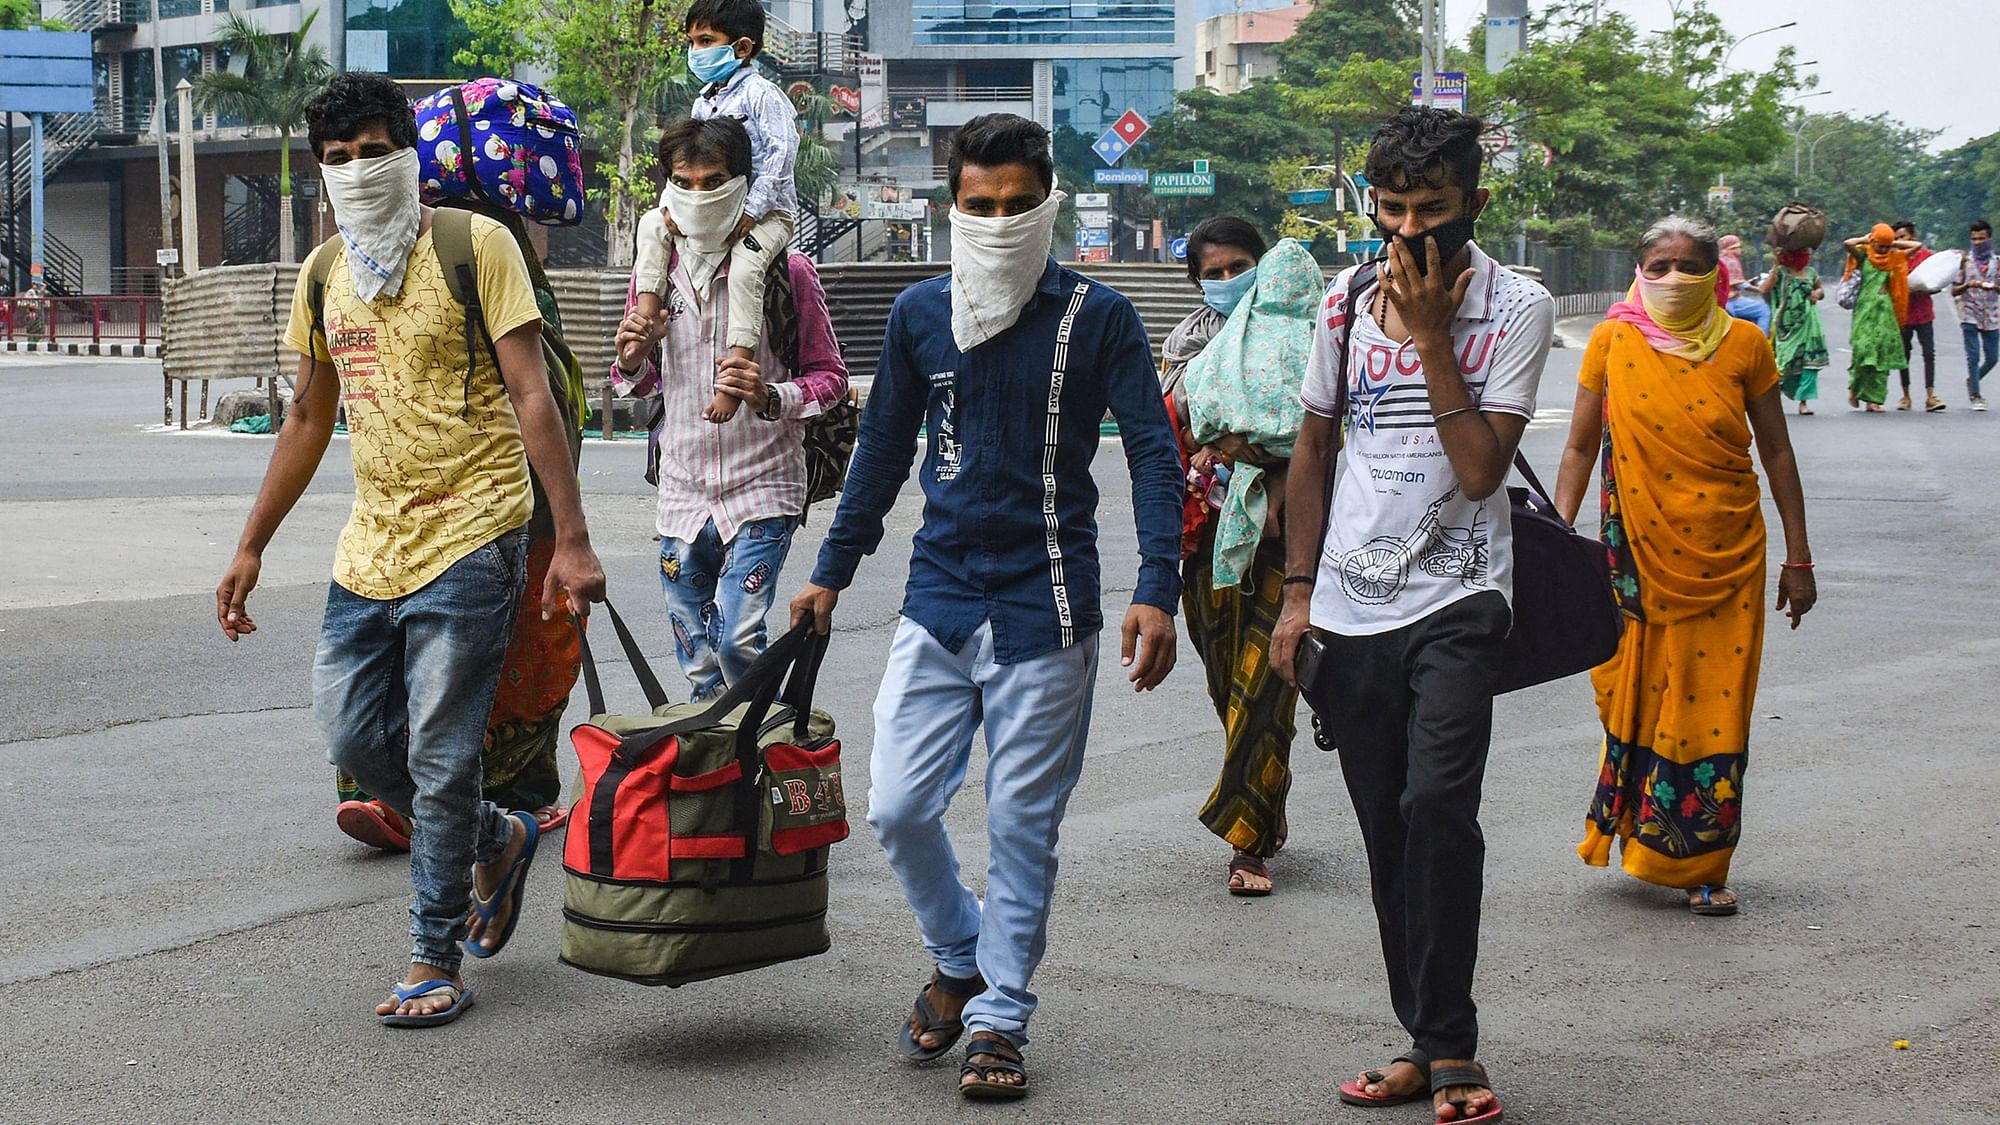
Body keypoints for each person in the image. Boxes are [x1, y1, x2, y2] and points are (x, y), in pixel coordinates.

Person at [788, 113, 1181, 1101]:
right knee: (895, 806)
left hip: (1049, 606)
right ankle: (958, 958)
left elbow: (1150, 450)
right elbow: (881, 452)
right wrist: (829, 571)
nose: (998, 221)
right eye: (978, 206)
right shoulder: (922, 314)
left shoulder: (1100, 317)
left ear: (1044, 203)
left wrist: (1157, 588)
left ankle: (999, 1016)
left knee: (1020, 827)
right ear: (949, 205)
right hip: (938, 596)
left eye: (1016, 206)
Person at [212, 73, 606, 1027]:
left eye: (374, 151)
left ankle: (434, 956)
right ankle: (496, 836)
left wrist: (572, 542)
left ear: (409, 154)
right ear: (321, 170)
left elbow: (532, 397)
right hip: (371, 547)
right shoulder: (324, 274)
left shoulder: (480, 246)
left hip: (475, 533)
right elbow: (309, 413)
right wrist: (251, 544)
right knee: (349, 732)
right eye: (338, 159)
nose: (357, 171)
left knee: (439, 748)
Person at [1271, 106, 1553, 1124]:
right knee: (1387, 834)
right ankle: (1428, 1039)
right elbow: (1309, 450)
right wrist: (1296, 597)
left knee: (1437, 807)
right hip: (1348, 607)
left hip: (1461, 596)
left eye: (1428, 211)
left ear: (1473, 205)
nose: (1405, 233)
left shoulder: (1516, 305)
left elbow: (1480, 472)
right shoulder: (1343, 302)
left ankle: (1451, 1047)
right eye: (1388, 210)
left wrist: (1432, 339)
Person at [1553, 214, 1815, 919]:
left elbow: (1779, 452)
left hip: (1729, 557)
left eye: (1690, 266)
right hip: (1632, 553)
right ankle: (1642, 835)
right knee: (1631, 691)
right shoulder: (1612, 340)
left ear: (1716, 274)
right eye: (1658, 265)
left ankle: (1702, 861)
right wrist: (1554, 535)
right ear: (1639, 270)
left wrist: (1799, 555)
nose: (1673, 279)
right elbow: (1578, 448)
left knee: (1715, 708)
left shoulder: (1746, 344)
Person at [335, 195, 590, 850]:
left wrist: (569, 535)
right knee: (463, 659)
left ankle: (460, 806)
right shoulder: (489, 260)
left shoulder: (437, 257)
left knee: (470, 660)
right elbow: (552, 396)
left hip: (474, 513)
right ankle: (446, 802)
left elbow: (541, 396)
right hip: (460, 512)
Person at [611, 116, 849, 702]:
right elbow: (637, 387)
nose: (697, 195)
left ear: (742, 182)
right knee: (694, 645)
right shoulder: (655, 276)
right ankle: (716, 755)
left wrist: (770, 396)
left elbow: (831, 380)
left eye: (713, 180)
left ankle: (752, 742)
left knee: (739, 635)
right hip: (683, 488)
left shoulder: (786, 273)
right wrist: (634, 358)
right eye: (683, 182)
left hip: (764, 485)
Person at [1159, 216, 1317, 898]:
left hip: (1285, 540)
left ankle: (1246, 844)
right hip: (1206, 539)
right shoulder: (1183, 346)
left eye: (1237, 267)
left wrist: (1271, 460)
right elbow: (1163, 433)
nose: (1226, 281)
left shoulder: (1306, 336)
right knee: (1229, 683)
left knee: (1267, 682)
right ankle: (1264, 801)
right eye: (1213, 272)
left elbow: (1321, 430)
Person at [619, 0, 798, 424]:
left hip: (766, 216)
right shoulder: (704, 102)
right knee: (649, 227)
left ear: (742, 48)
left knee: (745, 269)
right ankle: (645, 315)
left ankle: (734, 377)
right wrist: (669, 209)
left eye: (706, 41)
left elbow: (782, 153)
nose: (696, 51)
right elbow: (687, 162)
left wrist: (753, 211)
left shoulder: (763, 95)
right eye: (692, 42)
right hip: (713, 215)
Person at [1842, 223, 1917, 413]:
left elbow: (1917, 245)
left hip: (1885, 313)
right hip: (1864, 311)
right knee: (1863, 353)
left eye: (1886, 246)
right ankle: (1854, 388)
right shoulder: (1864, 255)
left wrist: (1893, 244)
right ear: (1873, 241)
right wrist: (1865, 240)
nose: (1883, 250)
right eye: (1880, 245)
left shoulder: (1894, 257)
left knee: (1881, 358)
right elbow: (1847, 243)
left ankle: (1873, 400)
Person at [1757, 245, 1829, 416]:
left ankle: (1803, 403)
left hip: (1810, 324)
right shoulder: (1781, 272)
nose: (1805, 256)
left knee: (1809, 365)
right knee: (1785, 364)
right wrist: (1776, 263)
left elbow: (1821, 290)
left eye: (1807, 253)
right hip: (1787, 326)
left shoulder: (1811, 272)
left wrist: (1817, 294)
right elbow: (1764, 289)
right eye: (1801, 253)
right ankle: (1770, 399)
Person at [1890, 221, 1942, 412]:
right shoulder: (1894, 258)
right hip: (1903, 314)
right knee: (1904, 356)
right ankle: (1906, 396)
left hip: (1924, 312)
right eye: (1896, 238)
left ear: (1912, 236)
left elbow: (1937, 282)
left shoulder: (1926, 257)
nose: (1899, 241)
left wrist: (1926, 288)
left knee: (1929, 354)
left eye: (1902, 237)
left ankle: (1930, 395)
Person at [1950, 218, 1999, 411]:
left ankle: (1973, 379)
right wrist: (1968, 285)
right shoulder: (1964, 263)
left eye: (1981, 239)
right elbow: (1954, 290)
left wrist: (1994, 286)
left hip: (1992, 314)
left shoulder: (1997, 263)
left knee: (1993, 357)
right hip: (1969, 312)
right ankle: (1976, 395)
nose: (1978, 243)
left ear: (1989, 238)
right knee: (1973, 355)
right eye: (1974, 239)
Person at [1719, 234, 1771, 334]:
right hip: (1731, 301)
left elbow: (1733, 282)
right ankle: (1762, 339)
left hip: (1722, 301)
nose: (1739, 250)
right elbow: (1741, 285)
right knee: (1764, 310)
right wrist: (1759, 290)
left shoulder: (1720, 261)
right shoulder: (1731, 261)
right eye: (1736, 247)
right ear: (1729, 249)